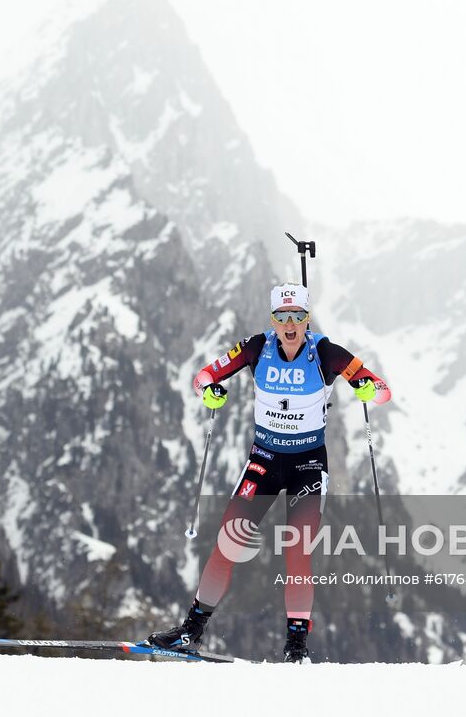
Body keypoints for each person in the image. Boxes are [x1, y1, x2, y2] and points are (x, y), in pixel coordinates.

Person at [146, 282, 392, 663]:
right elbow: (204, 376)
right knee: (227, 543)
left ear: (307, 319)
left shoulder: (324, 351)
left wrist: (367, 389)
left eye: (297, 316)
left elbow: (382, 391)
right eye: (282, 316)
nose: (289, 324)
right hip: (263, 461)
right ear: (273, 319)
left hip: (307, 465)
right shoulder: (256, 346)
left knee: (298, 553)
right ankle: (189, 631)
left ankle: (296, 647)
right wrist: (209, 390)